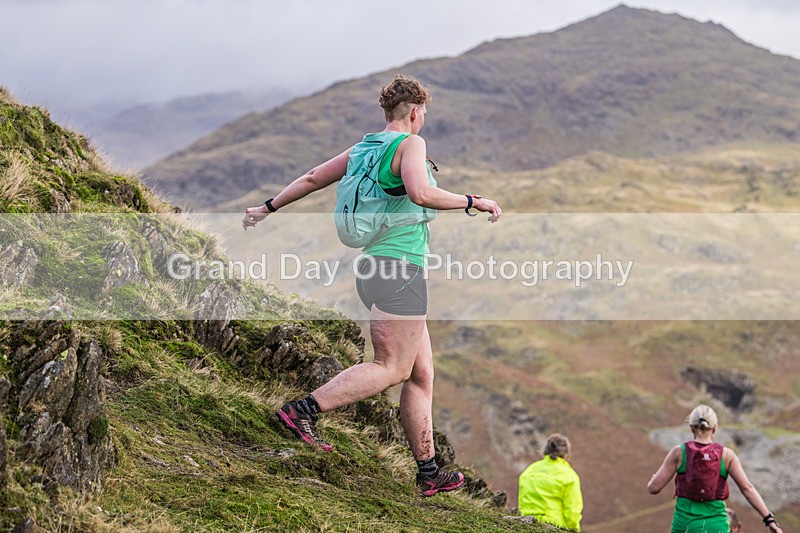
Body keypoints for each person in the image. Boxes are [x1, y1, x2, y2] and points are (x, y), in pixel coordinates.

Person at [242, 74, 502, 497]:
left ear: (386, 111)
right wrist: (474, 201)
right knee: (392, 368)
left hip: (375, 269)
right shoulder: (410, 144)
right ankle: (300, 411)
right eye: (424, 115)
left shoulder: (363, 148)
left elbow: (311, 178)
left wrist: (267, 207)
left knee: (420, 373)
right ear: (416, 112)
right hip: (399, 270)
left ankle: (429, 471)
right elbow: (420, 193)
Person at [648, 405, 783, 533]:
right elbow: (747, 488)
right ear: (715, 428)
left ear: (691, 428)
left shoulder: (679, 452)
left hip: (685, 526)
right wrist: (769, 520)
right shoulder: (727, 455)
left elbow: (654, 488)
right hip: (717, 526)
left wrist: (653, 480)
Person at [518, 433, 583, 531]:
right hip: (555, 527)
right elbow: (572, 512)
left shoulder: (529, 470)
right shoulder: (569, 476)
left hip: (526, 525)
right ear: (566, 453)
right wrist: (575, 530)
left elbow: (522, 501)